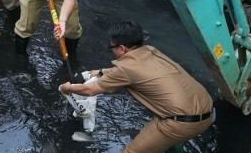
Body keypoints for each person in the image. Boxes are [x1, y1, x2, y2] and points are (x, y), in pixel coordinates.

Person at [59, 21, 214, 153]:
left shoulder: (125, 69)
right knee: (168, 140)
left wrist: (67, 88)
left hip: (181, 123)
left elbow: (89, 90)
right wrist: (100, 72)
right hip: (208, 110)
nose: (111, 50)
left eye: (111, 47)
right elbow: (135, 71)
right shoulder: (152, 51)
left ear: (122, 49)